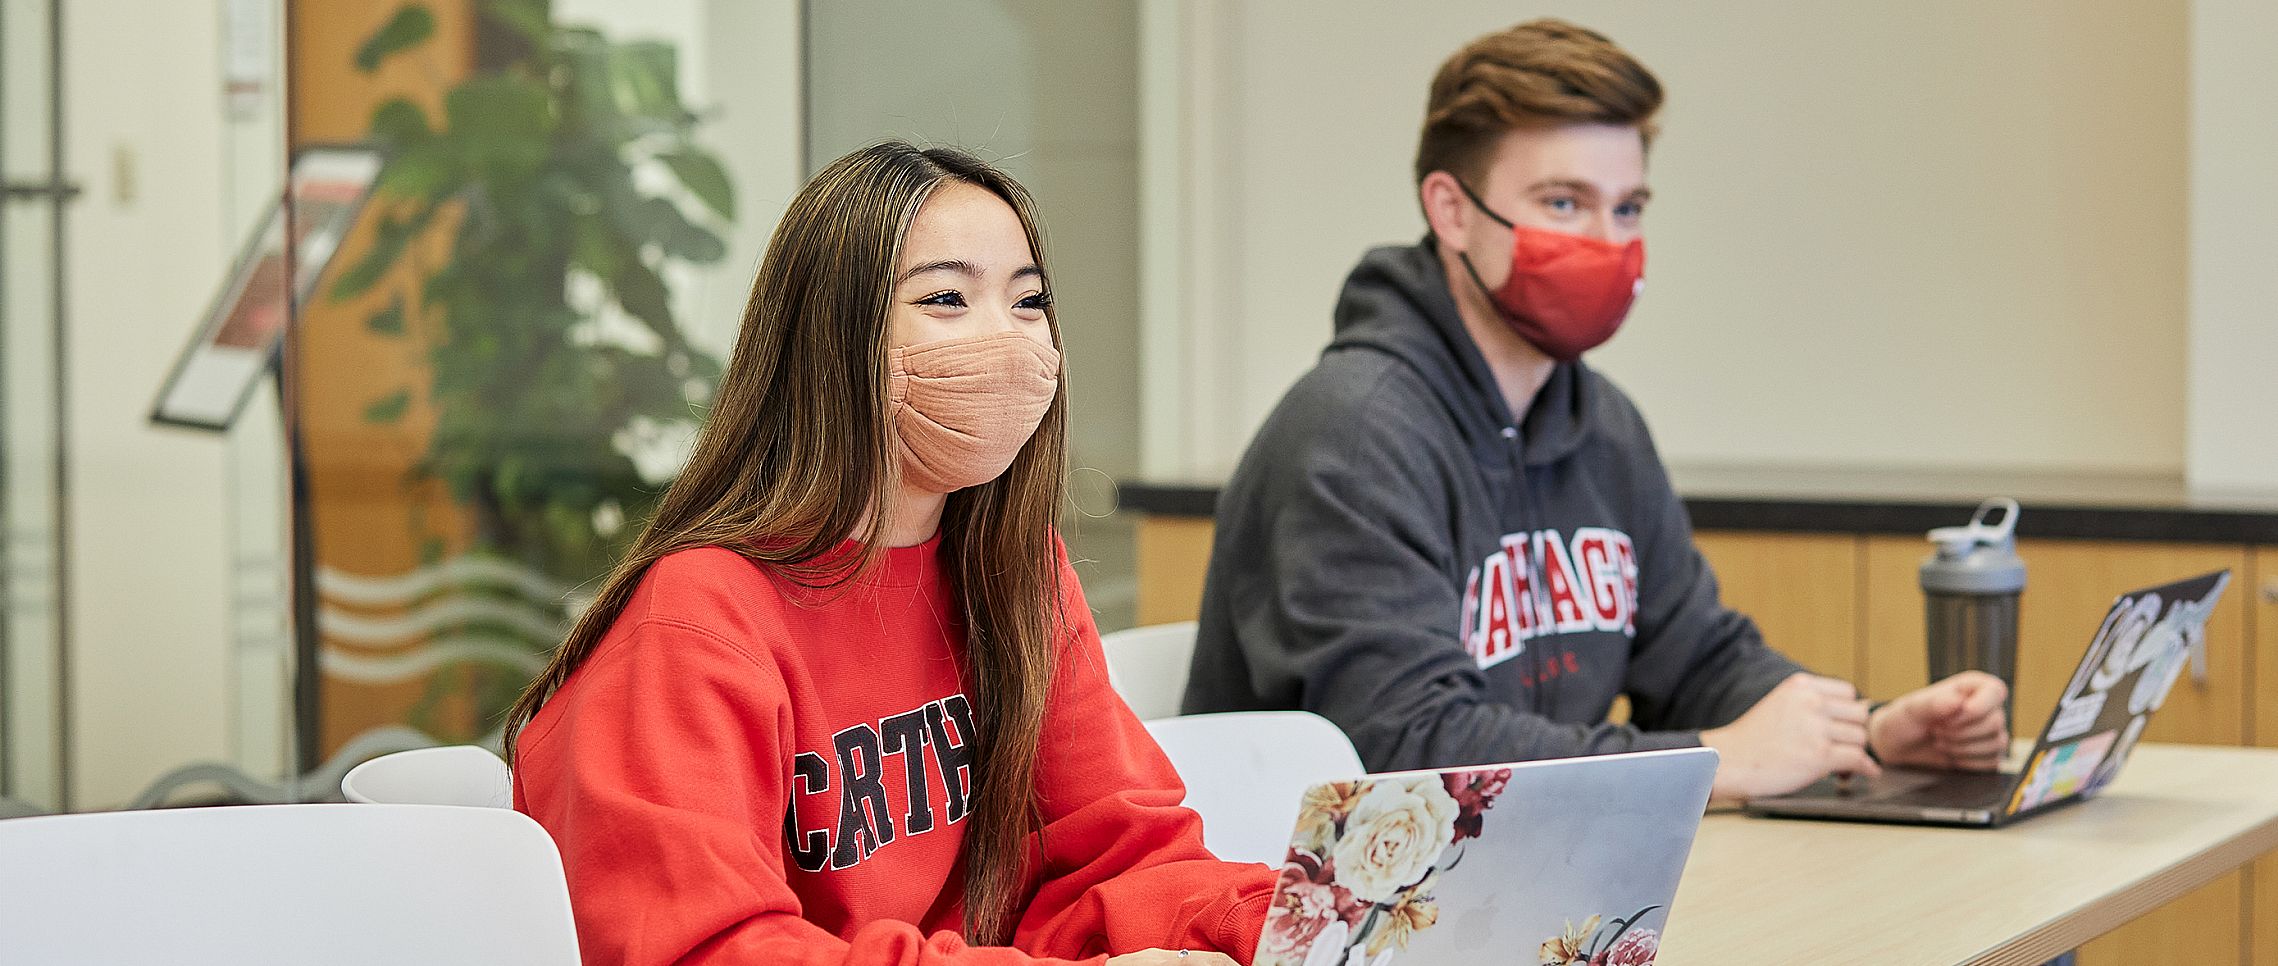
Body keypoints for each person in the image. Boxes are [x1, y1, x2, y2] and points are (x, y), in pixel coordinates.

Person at [1181, 19, 2009, 803]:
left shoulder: (1600, 421)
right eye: (1564, 203)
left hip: (1537, 884)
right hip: (1331, 918)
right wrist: (1717, 764)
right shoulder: (1352, 436)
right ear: (1452, 210)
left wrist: (1861, 733)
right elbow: (1411, 750)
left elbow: (1695, 656)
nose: (1607, 244)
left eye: (1629, 209)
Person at [505, 142, 1270, 966]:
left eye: (1028, 302)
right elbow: (712, 948)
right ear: (835, 343)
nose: (1009, 342)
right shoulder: (696, 616)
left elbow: (1120, 858)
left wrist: (1298, 927)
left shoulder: (1016, 572)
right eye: (947, 298)